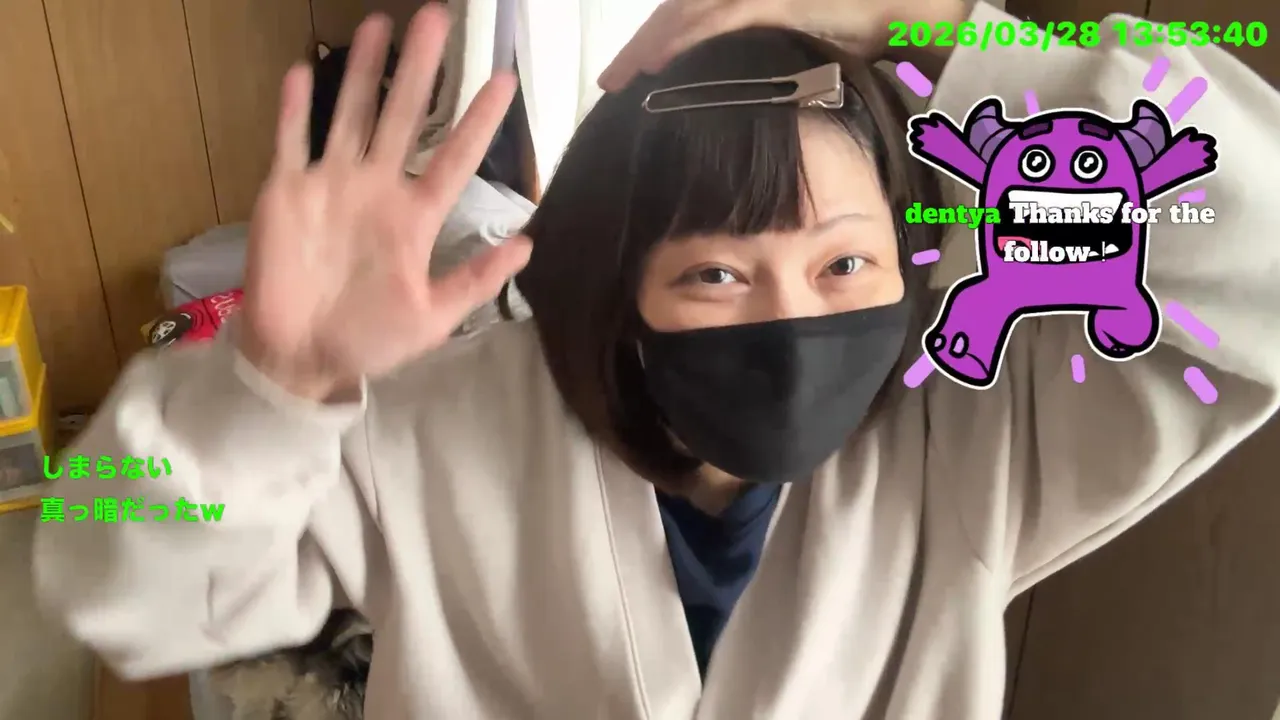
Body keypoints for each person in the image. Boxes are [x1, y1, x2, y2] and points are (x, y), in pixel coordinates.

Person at [32, 0, 1280, 718]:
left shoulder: (967, 426)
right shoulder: (426, 426)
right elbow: (109, 580)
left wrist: (932, 26)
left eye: (844, 264)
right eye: (715, 275)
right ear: (617, 283)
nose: (790, 320)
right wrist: (271, 384)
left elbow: (1255, 244)